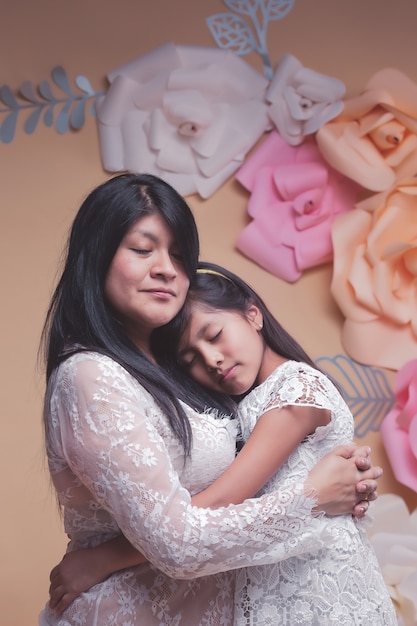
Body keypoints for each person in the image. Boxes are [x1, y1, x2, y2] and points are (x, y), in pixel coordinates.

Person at [40, 174, 382, 626]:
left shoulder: (178, 377)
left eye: (179, 256)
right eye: (143, 249)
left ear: (252, 314)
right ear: (97, 256)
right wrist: (315, 496)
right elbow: (177, 539)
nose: (165, 268)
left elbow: (233, 497)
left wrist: (336, 485)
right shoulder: (92, 376)